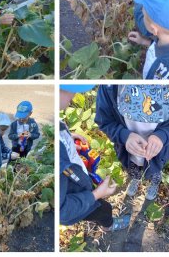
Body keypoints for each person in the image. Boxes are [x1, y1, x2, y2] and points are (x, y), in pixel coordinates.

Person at [95, 84, 169, 200]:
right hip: (128, 154)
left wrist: (162, 136)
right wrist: (124, 136)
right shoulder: (110, 88)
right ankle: (135, 179)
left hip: (158, 155)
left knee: (155, 173)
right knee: (133, 171)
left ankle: (154, 183)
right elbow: (105, 121)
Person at [60, 85, 131, 231]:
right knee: (103, 210)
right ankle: (109, 226)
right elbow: (63, 212)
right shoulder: (58, 162)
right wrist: (97, 194)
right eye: (69, 91)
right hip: (78, 196)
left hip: (78, 180)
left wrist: (67, 135)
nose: (73, 96)